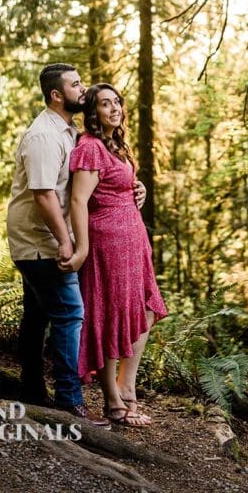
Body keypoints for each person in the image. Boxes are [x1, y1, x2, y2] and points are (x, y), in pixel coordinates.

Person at [6, 63, 109, 423]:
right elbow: (44, 194)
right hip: (39, 240)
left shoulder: (68, 131)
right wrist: (67, 242)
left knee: (36, 315)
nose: (83, 90)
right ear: (56, 94)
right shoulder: (43, 136)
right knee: (69, 313)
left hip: (46, 237)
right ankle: (68, 399)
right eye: (75, 85)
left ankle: (31, 390)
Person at [59, 83, 167, 426]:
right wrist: (83, 247)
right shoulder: (90, 146)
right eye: (105, 104)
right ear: (93, 112)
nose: (114, 108)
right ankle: (112, 401)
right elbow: (78, 200)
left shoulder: (116, 144)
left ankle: (127, 388)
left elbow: (119, 185)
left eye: (117, 102)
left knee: (147, 309)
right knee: (109, 316)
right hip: (108, 243)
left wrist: (140, 188)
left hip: (134, 242)